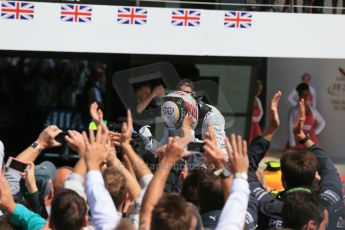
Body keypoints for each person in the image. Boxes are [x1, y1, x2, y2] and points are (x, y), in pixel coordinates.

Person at [248, 92, 343, 229]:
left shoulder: (267, 206)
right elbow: (328, 168)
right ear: (315, 179)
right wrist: (303, 137)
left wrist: (271, 129)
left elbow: (246, 171)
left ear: (283, 181)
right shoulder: (328, 206)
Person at [287, 83, 325, 149]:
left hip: (311, 139)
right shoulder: (294, 110)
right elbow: (290, 127)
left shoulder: (313, 110)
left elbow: (322, 122)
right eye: (303, 95)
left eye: (307, 94)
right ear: (299, 95)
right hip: (298, 139)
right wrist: (292, 143)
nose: (305, 97)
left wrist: (315, 132)